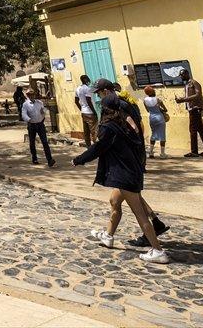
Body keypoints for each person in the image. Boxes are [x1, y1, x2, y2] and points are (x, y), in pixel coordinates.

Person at [72, 95, 169, 263]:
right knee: (114, 202)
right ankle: (108, 235)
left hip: (125, 174)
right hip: (132, 170)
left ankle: (158, 250)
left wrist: (79, 159)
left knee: (140, 213)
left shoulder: (109, 127)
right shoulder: (125, 123)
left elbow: (98, 148)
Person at [175, 69, 203, 157]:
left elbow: (198, 94)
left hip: (195, 109)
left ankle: (194, 151)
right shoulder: (187, 84)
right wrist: (181, 100)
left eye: (182, 75)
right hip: (191, 108)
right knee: (201, 130)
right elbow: (189, 96)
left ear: (186, 74)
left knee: (192, 130)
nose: (181, 77)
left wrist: (183, 99)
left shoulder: (194, 83)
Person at [21, 89, 55, 167]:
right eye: (29, 94)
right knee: (32, 142)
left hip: (40, 124)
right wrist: (29, 120)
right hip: (31, 125)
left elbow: (43, 110)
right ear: (27, 95)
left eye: (32, 94)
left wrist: (44, 111)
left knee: (45, 142)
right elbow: (24, 114)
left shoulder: (39, 103)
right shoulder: (25, 104)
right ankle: (34, 158)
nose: (31, 96)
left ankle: (49, 160)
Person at [142, 86, 169, 158]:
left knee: (153, 134)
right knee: (162, 135)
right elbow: (165, 109)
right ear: (153, 92)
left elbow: (148, 110)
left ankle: (151, 152)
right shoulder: (158, 100)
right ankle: (162, 154)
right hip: (160, 118)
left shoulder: (145, 100)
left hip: (152, 118)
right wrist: (159, 109)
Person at [74, 75, 97, 147]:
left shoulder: (78, 89)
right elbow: (88, 100)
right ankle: (97, 147)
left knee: (86, 131)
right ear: (85, 79)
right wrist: (94, 111)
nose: (89, 80)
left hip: (83, 112)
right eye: (87, 78)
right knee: (94, 131)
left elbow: (76, 101)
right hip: (89, 113)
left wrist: (81, 108)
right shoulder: (87, 89)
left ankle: (88, 147)